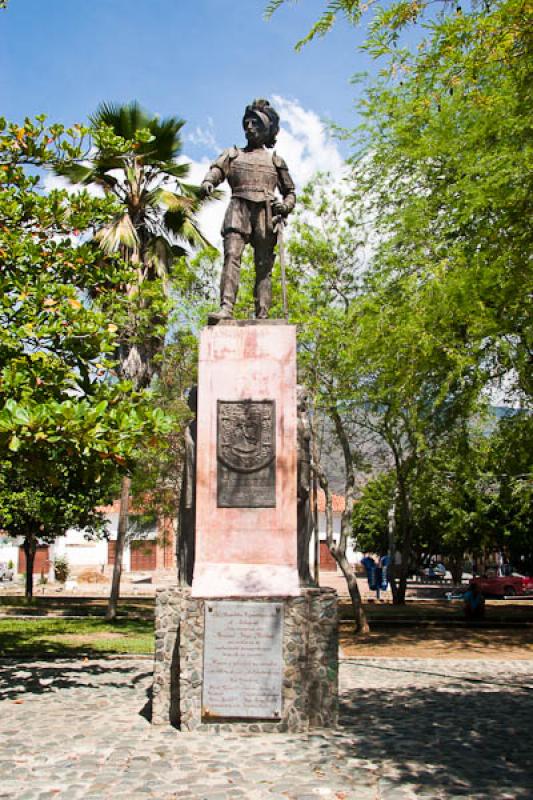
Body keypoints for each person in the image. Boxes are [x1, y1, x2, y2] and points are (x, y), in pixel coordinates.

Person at [200, 99, 296, 321]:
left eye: (256, 123)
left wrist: (285, 206)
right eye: (247, 122)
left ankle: (263, 315)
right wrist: (209, 181)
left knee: (264, 266)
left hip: (266, 213)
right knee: (232, 256)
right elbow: (216, 171)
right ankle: (226, 308)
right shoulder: (233, 155)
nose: (250, 127)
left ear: (268, 129)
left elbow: (290, 192)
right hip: (238, 208)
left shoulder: (275, 161)